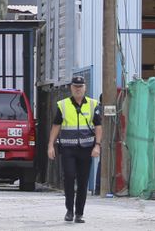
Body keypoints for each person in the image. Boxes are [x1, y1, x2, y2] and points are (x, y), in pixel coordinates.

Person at [47, 74, 102, 224]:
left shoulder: (92, 104)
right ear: (71, 88)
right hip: (68, 148)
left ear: (85, 88)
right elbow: (56, 126)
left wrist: (97, 145)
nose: (78, 89)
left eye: (80, 87)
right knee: (69, 177)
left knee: (83, 181)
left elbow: (98, 126)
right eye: (75, 87)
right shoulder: (63, 105)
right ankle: (69, 210)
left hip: (86, 148)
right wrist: (50, 145)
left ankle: (79, 213)